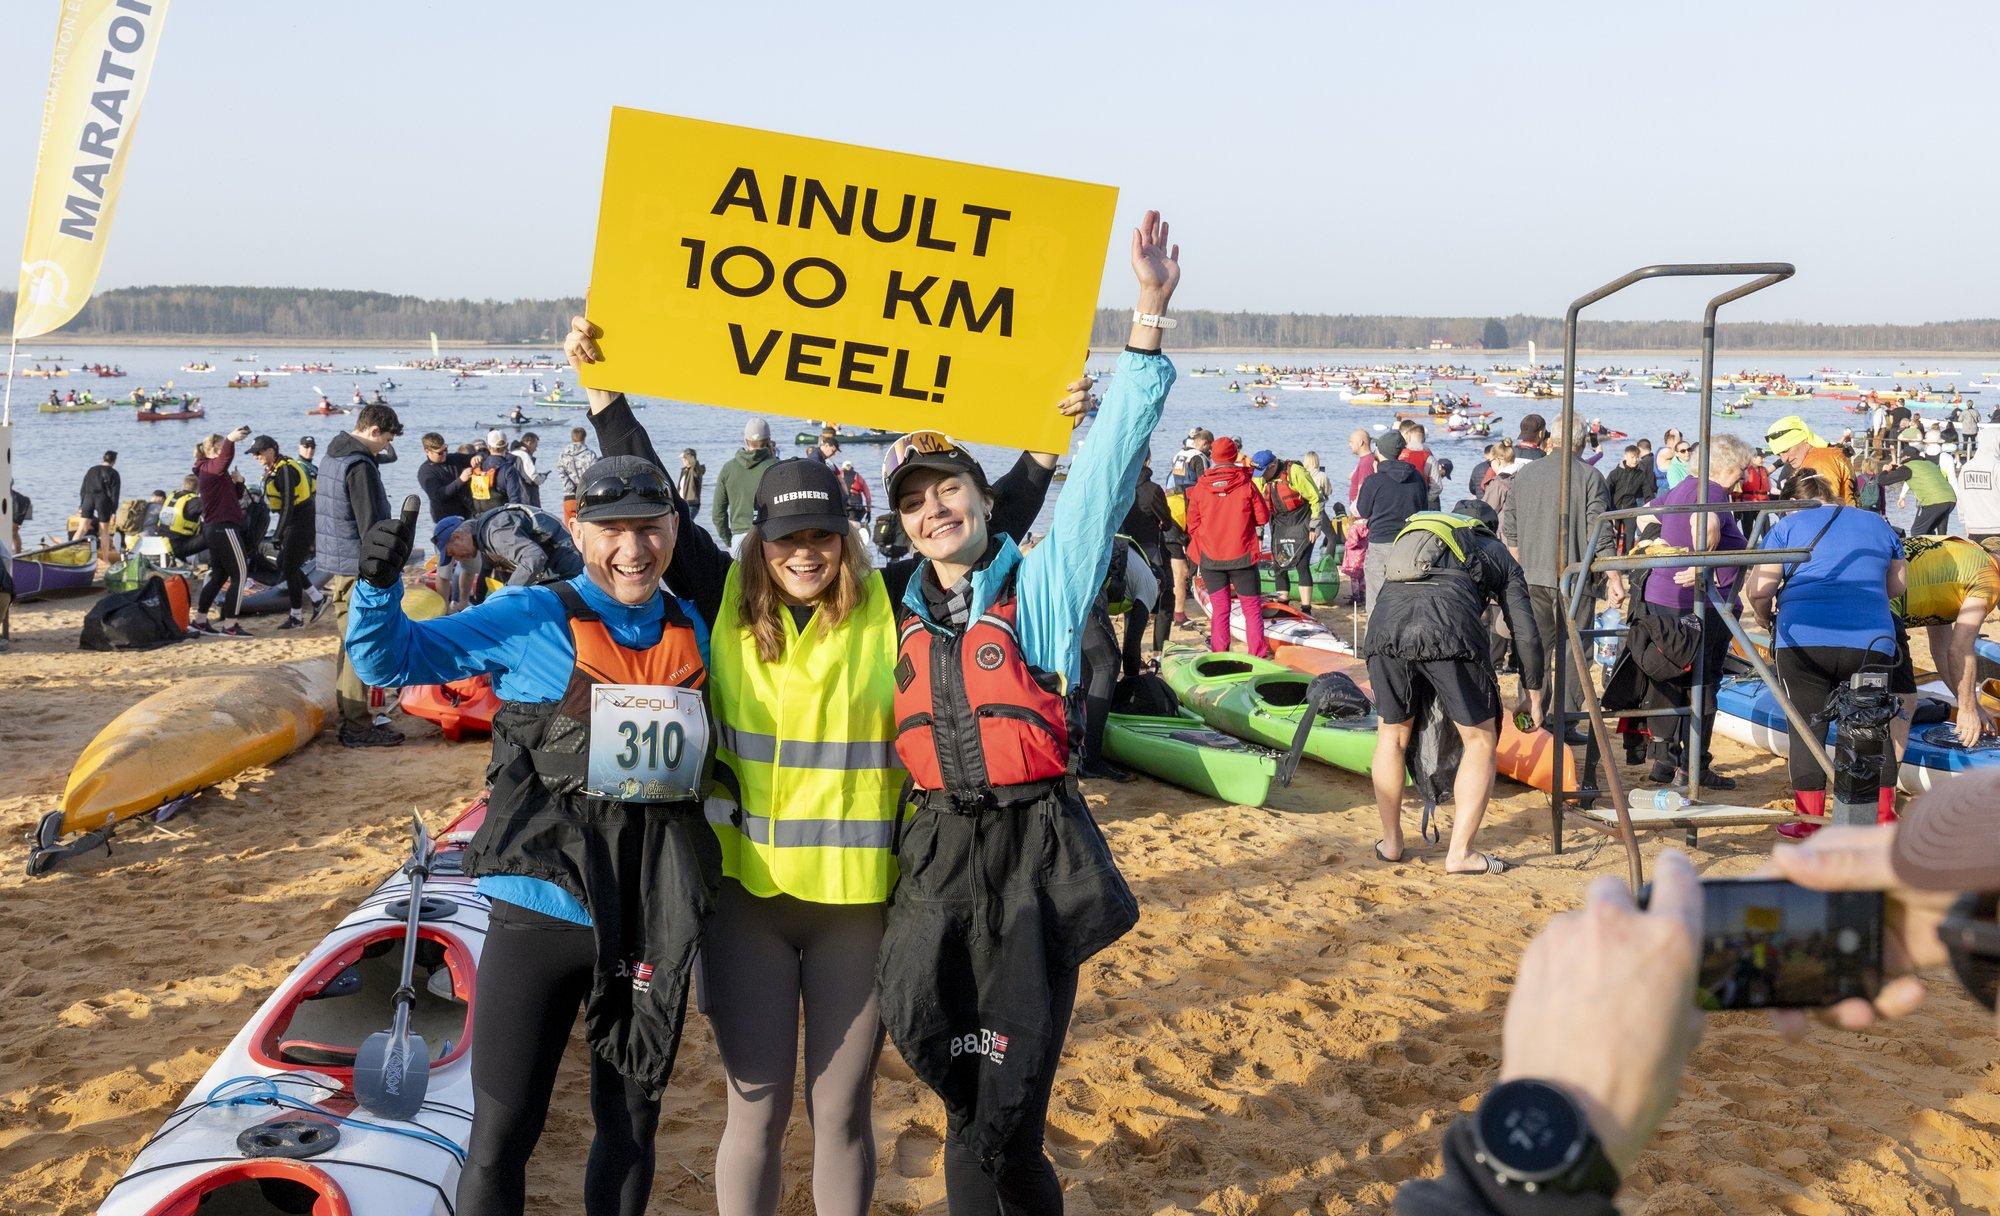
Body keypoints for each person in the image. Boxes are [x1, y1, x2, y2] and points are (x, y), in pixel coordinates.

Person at [563, 309, 1081, 1216]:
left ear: (845, 539)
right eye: (786, 539)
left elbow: (975, 527)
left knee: (841, 1110)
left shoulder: (888, 605)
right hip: (745, 903)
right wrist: (604, 396)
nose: (804, 553)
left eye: (821, 537)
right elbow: (668, 519)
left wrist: (1044, 448)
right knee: (753, 1110)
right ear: (759, 543)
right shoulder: (720, 598)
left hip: (858, 904)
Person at [864, 210, 1175, 1215]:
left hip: (1032, 861)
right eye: (914, 501)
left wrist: (1144, 322)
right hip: (935, 861)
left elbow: (1098, 482)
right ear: (903, 523)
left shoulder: (1033, 597)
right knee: (956, 1091)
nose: (933, 509)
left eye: (946, 487)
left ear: (983, 498)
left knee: (1012, 1109)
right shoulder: (889, 619)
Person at [344, 460, 713, 1216]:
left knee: (633, 1126)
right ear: (578, 532)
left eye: (650, 527)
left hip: (647, 914)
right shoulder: (531, 616)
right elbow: (388, 660)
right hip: (540, 910)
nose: (633, 548)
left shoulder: (696, 626)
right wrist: (377, 586)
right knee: (506, 1129)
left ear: (676, 529)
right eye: (612, 532)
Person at [1365, 503, 1544, 874]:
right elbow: (1525, 631)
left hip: (1383, 629)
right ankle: (1460, 854)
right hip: (1449, 631)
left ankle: (1392, 842)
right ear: (1489, 528)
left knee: (1391, 737)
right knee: (1479, 741)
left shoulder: (1418, 534)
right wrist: (1533, 694)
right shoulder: (1494, 550)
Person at [1741, 469, 1907, 838]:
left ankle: (1810, 821)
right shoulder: (1877, 523)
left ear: (1792, 503)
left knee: (1807, 726)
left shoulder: (1787, 526)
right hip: (1870, 640)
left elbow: (1761, 589)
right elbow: (1897, 586)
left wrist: (1762, 614)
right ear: (1834, 493)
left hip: (1804, 639)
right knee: (1871, 724)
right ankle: (1881, 814)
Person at [1634, 434, 1751, 789]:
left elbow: (1642, 517)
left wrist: (1662, 544)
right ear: (1727, 466)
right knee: (1704, 681)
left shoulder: (1684, 485)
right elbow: (1708, 526)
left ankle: (1665, 761)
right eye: (1742, 470)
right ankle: (1694, 764)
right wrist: (1702, 566)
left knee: (1673, 674)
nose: (1744, 478)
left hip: (1664, 594)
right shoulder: (1713, 491)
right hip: (1703, 602)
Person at [1501, 417, 1625, 728]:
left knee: (1535, 648)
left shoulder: (1525, 474)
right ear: (1582, 443)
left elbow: (1510, 527)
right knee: (1573, 652)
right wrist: (1614, 577)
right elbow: (1600, 530)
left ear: (1549, 440)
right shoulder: (1589, 475)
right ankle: (1563, 722)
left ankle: (1532, 717)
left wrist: (1519, 562)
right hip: (1575, 579)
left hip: (1531, 575)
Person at [317, 403, 406, 748]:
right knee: (360, 644)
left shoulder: (333, 456)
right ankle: (356, 726)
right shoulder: (359, 466)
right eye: (385, 439)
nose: (385, 446)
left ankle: (353, 717)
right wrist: (384, 567)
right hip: (358, 568)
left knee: (348, 642)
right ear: (372, 431)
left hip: (338, 562)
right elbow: (372, 525)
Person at [1892, 534, 2000, 748]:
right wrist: (1968, 710)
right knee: (1904, 700)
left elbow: (1942, 648)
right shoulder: (1989, 576)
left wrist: (1968, 703)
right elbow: (1960, 649)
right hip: (1877, 608)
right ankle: (1887, 779)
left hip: (1840, 594)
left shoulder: (1959, 558)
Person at [1184, 435, 1271, 657]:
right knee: (1251, 610)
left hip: (1212, 557)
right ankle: (1257, 656)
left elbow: (1191, 523)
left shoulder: (1202, 486)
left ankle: (1220, 655)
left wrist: (1207, 538)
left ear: (1213, 457)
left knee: (1220, 611)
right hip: (1241, 555)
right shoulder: (1246, 484)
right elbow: (1262, 518)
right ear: (1234, 456)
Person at [249, 435, 327, 629]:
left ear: (270, 450)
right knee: (285, 562)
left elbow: (288, 507)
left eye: (258, 452)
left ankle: (297, 617)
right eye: (253, 454)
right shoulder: (274, 468)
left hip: (303, 520)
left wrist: (278, 534)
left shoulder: (284, 470)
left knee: (289, 567)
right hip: (294, 521)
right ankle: (317, 599)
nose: (255, 457)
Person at [187, 428, 255, 637]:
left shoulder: (213, 473)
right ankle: (230, 625)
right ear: (212, 451)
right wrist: (231, 440)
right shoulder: (210, 469)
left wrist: (239, 483)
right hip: (223, 528)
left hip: (215, 528)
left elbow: (232, 498)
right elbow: (225, 457)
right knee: (240, 574)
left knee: (219, 575)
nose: (222, 454)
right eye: (219, 450)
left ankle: (199, 621)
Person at [1356, 431, 1431, 610]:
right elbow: (1423, 508)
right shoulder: (1417, 477)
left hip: (1381, 542)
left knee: (1376, 601)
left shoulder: (1374, 480)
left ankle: (1375, 637)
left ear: (1380, 451)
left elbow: (1363, 510)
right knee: (1405, 599)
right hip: (1409, 542)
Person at [434, 505, 584, 589]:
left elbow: (534, 556)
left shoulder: (495, 533)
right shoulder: (482, 537)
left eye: (453, 553)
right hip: (552, 566)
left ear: (458, 536)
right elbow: (485, 574)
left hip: (568, 565)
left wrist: (508, 593)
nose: (458, 559)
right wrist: (480, 606)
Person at [1254, 449, 1324, 608]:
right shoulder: (1260, 478)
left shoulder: (1295, 471)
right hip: (1280, 522)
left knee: (1302, 563)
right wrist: (1258, 536)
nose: (1261, 476)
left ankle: (1306, 607)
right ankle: (1283, 603)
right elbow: (1258, 509)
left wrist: (1314, 527)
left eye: (1264, 472)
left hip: (1301, 519)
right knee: (1279, 564)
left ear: (1273, 466)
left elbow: (1316, 499)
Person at [713, 419, 777, 545]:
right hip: (768, 537)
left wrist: (729, 541)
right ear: (768, 440)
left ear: (745, 440)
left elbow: (718, 514)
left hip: (739, 539)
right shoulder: (777, 467)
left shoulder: (728, 468)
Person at [1766, 414, 1855, 506]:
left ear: (1803, 440)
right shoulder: (1825, 454)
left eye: (1786, 450)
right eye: (1779, 454)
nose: (1784, 459)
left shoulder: (1819, 461)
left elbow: (1824, 508)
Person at [1878, 450, 1957, 535]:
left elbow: (1883, 481)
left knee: (1917, 531)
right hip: (1950, 499)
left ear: (1906, 458)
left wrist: (1885, 470)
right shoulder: (1929, 463)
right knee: (1932, 530)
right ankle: (1939, 546)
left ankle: (1922, 548)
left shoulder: (1908, 467)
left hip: (1934, 501)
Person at [417, 431, 477, 525]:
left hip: (467, 513)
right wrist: (461, 480)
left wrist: (477, 458)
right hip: (445, 519)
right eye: (440, 453)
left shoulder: (453, 458)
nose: (444, 454)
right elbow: (438, 495)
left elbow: (477, 456)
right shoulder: (425, 471)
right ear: (427, 451)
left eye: (445, 449)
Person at [76, 450, 122, 565]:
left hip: (88, 498)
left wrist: (81, 505)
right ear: (114, 461)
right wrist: (114, 511)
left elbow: (83, 489)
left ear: (103, 458)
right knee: (104, 531)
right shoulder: (114, 473)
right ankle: (105, 560)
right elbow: (114, 494)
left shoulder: (91, 470)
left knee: (81, 529)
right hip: (103, 500)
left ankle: (72, 554)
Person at [1605, 445, 1652, 552]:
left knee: (1630, 536)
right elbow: (1606, 489)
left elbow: (1647, 492)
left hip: (1630, 508)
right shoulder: (1616, 473)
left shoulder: (1641, 474)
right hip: (1615, 508)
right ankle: (1611, 557)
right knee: (1613, 534)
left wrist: (1650, 506)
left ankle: (1627, 562)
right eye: (1632, 457)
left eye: (1637, 457)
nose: (1635, 460)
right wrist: (1607, 508)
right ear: (1625, 456)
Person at [557, 426, 600, 528]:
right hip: (586, 496)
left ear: (572, 437)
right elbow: (595, 474)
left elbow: (561, 472)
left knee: (570, 530)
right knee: (587, 528)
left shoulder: (563, 455)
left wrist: (570, 487)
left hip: (569, 497)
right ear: (584, 437)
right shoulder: (590, 454)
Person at [486, 430, 529, 505]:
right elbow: (515, 500)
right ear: (507, 445)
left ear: (488, 446)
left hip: (482, 515)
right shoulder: (509, 470)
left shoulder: (480, 465)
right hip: (502, 513)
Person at [514, 432, 547, 507]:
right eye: (535, 445)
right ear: (529, 443)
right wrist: (543, 477)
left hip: (514, 497)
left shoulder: (512, 453)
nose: (536, 449)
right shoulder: (524, 456)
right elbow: (534, 477)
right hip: (527, 497)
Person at [677, 448, 705, 516]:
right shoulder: (684, 471)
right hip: (682, 504)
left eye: (685, 459)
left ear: (689, 459)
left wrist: (690, 458)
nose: (683, 461)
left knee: (685, 525)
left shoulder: (696, 470)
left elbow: (696, 470)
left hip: (692, 504)